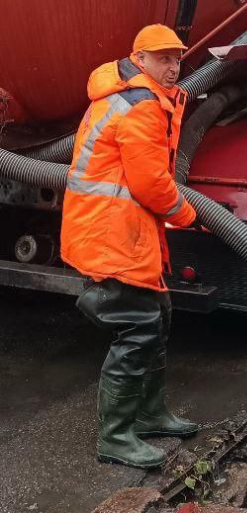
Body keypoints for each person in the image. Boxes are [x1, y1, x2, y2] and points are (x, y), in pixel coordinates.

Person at [61, 25, 198, 469]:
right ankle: (116, 437)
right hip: (112, 235)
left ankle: (150, 412)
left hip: (127, 230)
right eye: (163, 59)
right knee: (138, 329)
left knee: (158, 316)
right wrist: (188, 215)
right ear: (139, 60)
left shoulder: (139, 95)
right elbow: (151, 184)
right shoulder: (140, 106)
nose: (173, 67)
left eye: (177, 58)